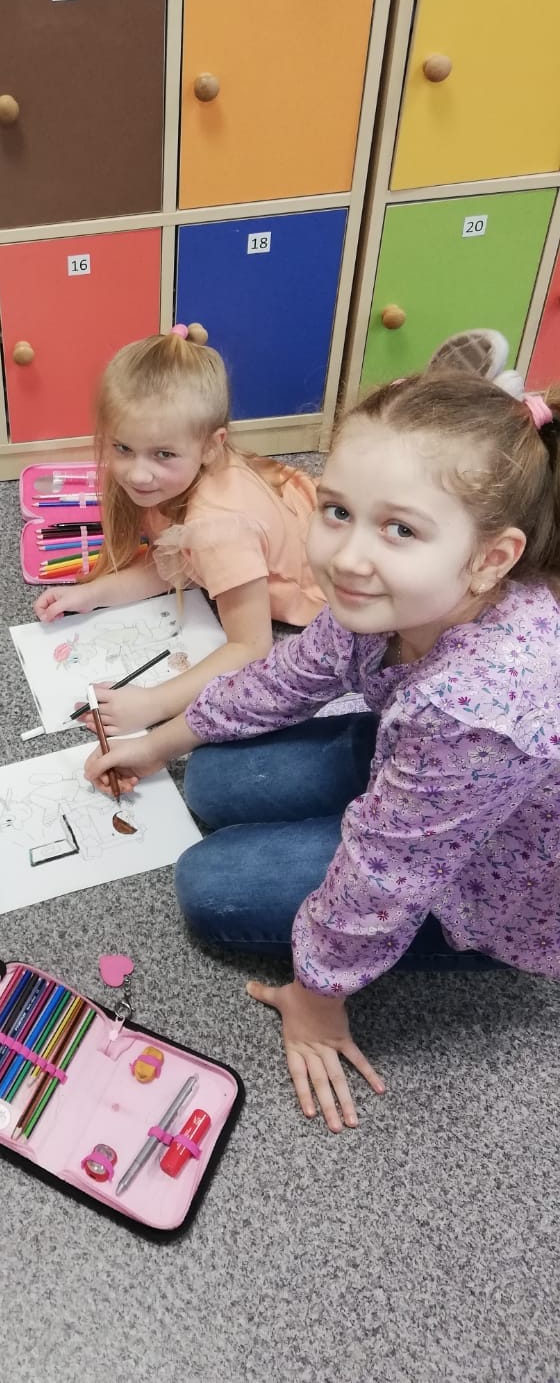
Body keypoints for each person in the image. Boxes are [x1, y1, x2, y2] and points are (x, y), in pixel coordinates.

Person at [85, 367, 560, 1132]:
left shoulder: (480, 710)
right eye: (337, 510)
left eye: (400, 528)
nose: (346, 556)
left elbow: (387, 876)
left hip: (498, 882)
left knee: (209, 883)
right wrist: (156, 743)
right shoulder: (384, 592)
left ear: (491, 559)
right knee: (209, 775)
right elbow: (284, 677)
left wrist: (317, 996)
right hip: (426, 771)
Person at [36, 328, 324, 734]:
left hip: (316, 580)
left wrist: (154, 704)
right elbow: (176, 562)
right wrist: (93, 594)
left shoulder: (218, 529)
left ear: (211, 446)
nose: (137, 474)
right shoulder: (178, 481)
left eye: (163, 454)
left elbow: (251, 647)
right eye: (122, 448)